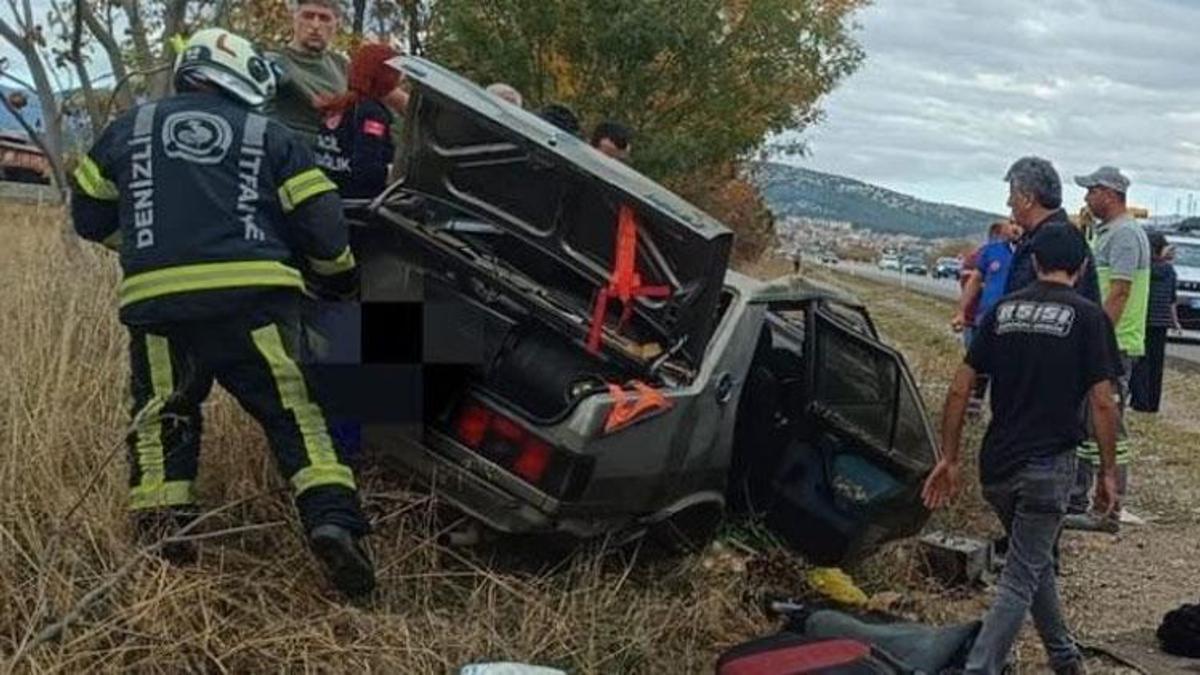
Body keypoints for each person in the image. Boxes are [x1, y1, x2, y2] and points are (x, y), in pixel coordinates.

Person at [69, 28, 374, 597]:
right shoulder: (272, 134)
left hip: (158, 306)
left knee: (164, 413)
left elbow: (87, 215)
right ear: (244, 80)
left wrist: (146, 246)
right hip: (254, 301)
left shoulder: (126, 129)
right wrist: (338, 280)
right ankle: (333, 521)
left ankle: (165, 541)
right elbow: (324, 225)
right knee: (296, 410)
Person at [923, 224, 1121, 675]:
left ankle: (1065, 659)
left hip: (998, 465)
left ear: (1033, 263)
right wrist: (1108, 471)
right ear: (1083, 266)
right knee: (1020, 574)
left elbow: (960, 389)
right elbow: (1103, 402)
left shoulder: (1002, 311)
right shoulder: (1089, 318)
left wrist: (949, 457)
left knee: (1032, 561)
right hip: (1048, 468)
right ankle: (980, 668)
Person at [1066, 166, 1149, 529]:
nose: (1086, 198)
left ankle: (1110, 506)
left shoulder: (1125, 235)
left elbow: (1120, 291)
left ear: (1110, 194)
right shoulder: (1109, 233)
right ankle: (1082, 498)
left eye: (1091, 191)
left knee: (1109, 424)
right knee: (1089, 423)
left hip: (1115, 343)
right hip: (1109, 340)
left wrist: (1096, 338)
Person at [1002, 157, 1100, 304]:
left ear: (1028, 199)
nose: (1009, 203)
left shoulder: (1058, 244)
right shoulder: (1041, 237)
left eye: (1012, 195)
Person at [313, 43, 403, 198]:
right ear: (384, 76)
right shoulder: (372, 114)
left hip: (329, 198)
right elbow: (367, 170)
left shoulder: (337, 106)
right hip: (359, 205)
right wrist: (399, 172)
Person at [953, 219, 1019, 412]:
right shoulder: (990, 252)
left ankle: (1005, 413)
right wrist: (961, 312)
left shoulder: (1032, 251)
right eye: (1011, 222)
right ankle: (973, 406)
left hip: (1013, 323)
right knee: (977, 365)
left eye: (1018, 223)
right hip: (985, 321)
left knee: (1006, 370)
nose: (1015, 227)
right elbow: (974, 280)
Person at [266, 0, 347, 147]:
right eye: (308, 16)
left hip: (336, 156)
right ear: (294, 19)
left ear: (336, 25)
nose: (315, 26)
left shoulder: (342, 65)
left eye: (324, 18)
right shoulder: (271, 62)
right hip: (287, 152)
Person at [1130, 233, 1179, 412]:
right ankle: (1153, 402)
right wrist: (1175, 322)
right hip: (1161, 322)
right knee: (1157, 364)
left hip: (1143, 318)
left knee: (1141, 362)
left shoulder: (1144, 271)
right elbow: (1172, 300)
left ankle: (1140, 401)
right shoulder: (1170, 271)